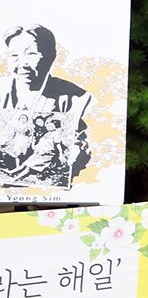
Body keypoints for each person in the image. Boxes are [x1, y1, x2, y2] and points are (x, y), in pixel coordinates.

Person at [0, 24, 92, 189]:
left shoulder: (77, 97)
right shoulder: (3, 90)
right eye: (14, 55)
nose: (22, 63)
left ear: (51, 56)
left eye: (31, 54)